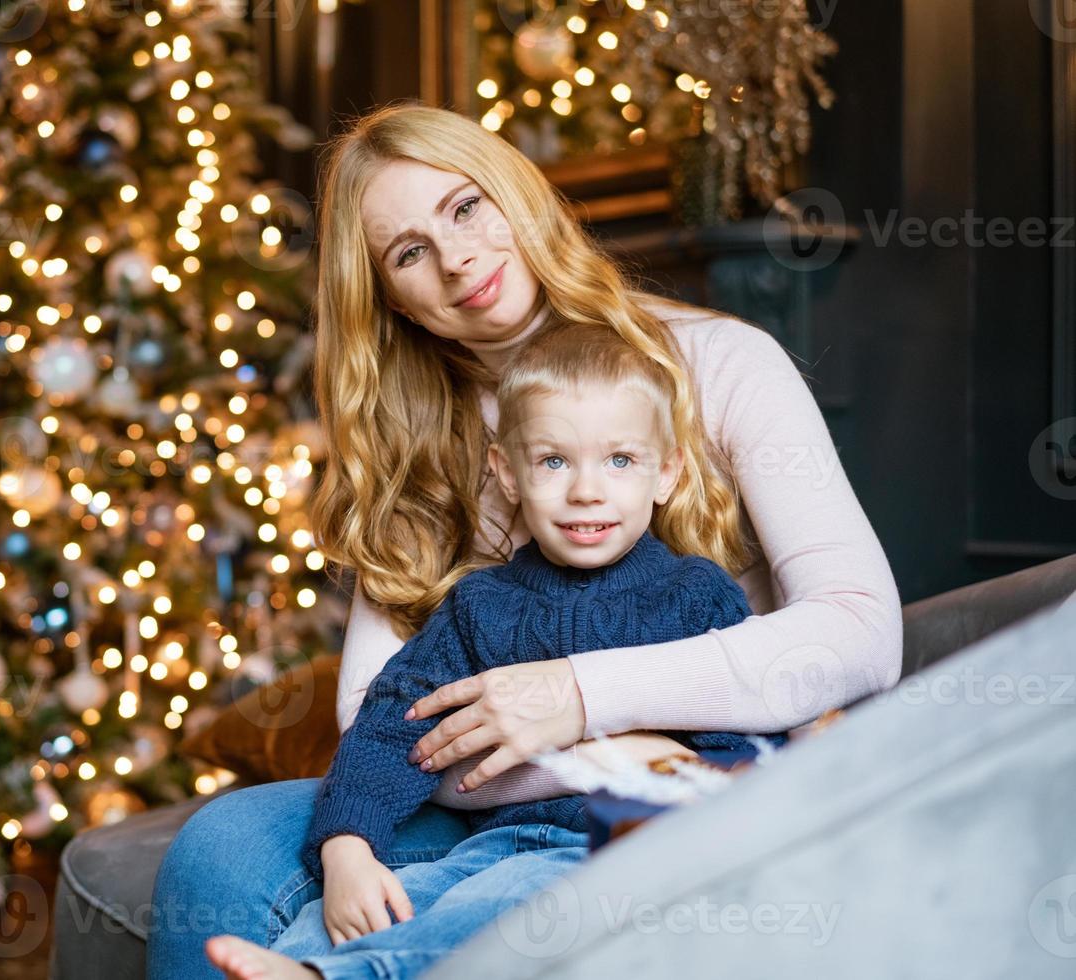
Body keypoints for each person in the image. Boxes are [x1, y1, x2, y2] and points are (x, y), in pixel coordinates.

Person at [148, 103, 902, 978]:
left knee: (518, 885)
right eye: (408, 251)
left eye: (466, 208)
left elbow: (859, 629)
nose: (456, 257)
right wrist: (587, 756)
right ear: (393, 302)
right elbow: (376, 717)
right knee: (223, 846)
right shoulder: (415, 452)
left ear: (520, 198)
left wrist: (580, 699)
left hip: (685, 788)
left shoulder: (720, 366)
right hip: (490, 798)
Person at [205, 321, 790, 979]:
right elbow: (392, 725)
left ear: (666, 473)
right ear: (506, 475)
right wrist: (347, 849)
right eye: (552, 461)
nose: (586, 490)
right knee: (404, 900)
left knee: (506, 900)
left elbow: (750, 749)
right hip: (503, 845)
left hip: (630, 854)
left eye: (619, 460)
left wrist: (677, 784)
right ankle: (302, 964)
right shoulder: (481, 605)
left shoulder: (694, 596)